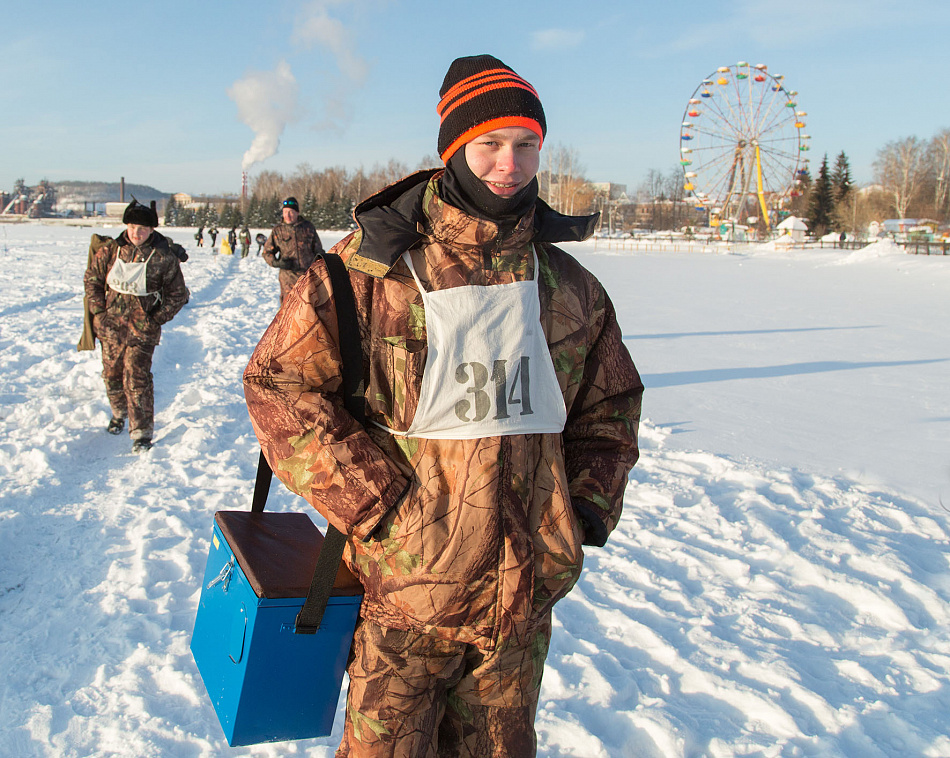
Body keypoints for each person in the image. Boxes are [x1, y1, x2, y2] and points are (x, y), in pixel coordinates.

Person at [244, 54, 643, 757]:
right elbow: (279, 384)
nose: (508, 165)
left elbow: (610, 407)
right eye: (489, 144)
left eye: (526, 146)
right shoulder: (368, 271)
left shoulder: (569, 286)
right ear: (453, 150)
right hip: (404, 605)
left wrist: (576, 513)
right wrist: (381, 505)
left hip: (518, 612)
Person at [84, 198, 190, 452]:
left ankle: (141, 431)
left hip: (143, 331)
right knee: (111, 374)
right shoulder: (111, 250)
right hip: (110, 327)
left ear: (152, 230)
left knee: (137, 376)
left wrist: (155, 319)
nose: (136, 233)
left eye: (142, 229)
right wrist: (99, 312)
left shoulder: (164, 258)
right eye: (132, 227)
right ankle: (119, 412)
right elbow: (92, 279)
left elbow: (178, 295)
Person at [261, 196, 324, 302]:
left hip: (308, 277)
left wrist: (323, 264)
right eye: (285, 212)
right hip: (288, 279)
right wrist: (277, 263)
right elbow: (267, 252)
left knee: (309, 310)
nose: (287, 215)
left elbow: (318, 251)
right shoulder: (278, 230)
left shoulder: (308, 228)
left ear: (297, 213)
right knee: (288, 311)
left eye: (291, 212)